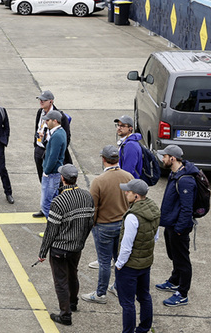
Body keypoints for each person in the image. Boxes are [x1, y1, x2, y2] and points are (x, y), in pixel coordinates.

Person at [37, 164, 95, 326]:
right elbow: (90, 221)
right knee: (73, 274)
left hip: (59, 249)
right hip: (77, 247)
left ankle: (65, 315)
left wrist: (42, 252)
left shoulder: (59, 201)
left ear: (62, 179)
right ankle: (73, 303)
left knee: (60, 281)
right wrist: (81, 241)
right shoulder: (86, 196)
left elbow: (51, 230)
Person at [81, 145, 133, 304]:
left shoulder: (98, 181)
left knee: (104, 262)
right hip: (122, 225)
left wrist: (92, 224)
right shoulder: (129, 176)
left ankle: (100, 293)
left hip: (103, 226)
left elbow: (93, 208)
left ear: (103, 159)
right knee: (120, 260)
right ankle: (117, 287)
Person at [155, 145, 198, 307]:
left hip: (179, 227)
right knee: (174, 256)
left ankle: (182, 293)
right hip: (171, 224)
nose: (162, 159)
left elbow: (187, 209)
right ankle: (174, 280)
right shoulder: (175, 173)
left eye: (164, 156)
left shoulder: (185, 179)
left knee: (182, 260)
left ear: (172, 158)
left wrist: (180, 229)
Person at [116, 179, 160, 333]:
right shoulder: (153, 208)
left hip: (130, 267)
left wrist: (119, 264)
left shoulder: (132, 216)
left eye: (128, 191)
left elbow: (126, 246)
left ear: (136, 196)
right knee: (144, 296)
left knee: (127, 303)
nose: (125, 193)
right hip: (145, 263)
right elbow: (155, 236)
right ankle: (144, 327)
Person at [33, 90, 72, 218]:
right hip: (40, 149)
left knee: (55, 185)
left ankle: (57, 210)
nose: (41, 101)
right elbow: (37, 129)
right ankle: (45, 209)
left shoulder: (60, 116)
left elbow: (66, 137)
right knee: (43, 181)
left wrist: (54, 149)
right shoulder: (40, 112)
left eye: (44, 99)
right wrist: (37, 143)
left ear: (51, 101)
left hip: (52, 152)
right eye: (40, 99)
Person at [40, 110, 67, 218]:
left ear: (55, 121)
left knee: (46, 203)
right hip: (54, 173)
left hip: (51, 173)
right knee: (53, 200)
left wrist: (46, 171)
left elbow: (53, 156)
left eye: (48, 120)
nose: (46, 122)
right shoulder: (60, 132)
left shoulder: (57, 136)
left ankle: (51, 229)